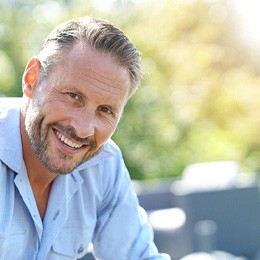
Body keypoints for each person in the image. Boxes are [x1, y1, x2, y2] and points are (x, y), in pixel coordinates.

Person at [0, 16, 170, 259]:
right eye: (72, 96)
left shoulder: (103, 165)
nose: (83, 129)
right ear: (32, 79)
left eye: (105, 110)